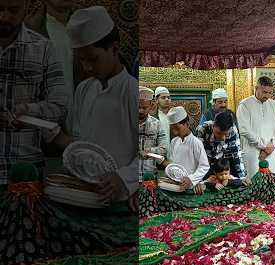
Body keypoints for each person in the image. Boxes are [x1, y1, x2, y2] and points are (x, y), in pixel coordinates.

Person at [65, 6, 138, 202]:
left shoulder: (131, 90)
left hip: (118, 197)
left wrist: (124, 178)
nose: (87, 67)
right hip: (83, 191)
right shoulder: (83, 89)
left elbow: (146, 154)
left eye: (93, 59)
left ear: (114, 48)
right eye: (81, 60)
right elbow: (79, 140)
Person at [0, 0, 67, 187]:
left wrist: (29, 111)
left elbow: (60, 108)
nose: (3, 17)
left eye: (12, 10)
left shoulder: (43, 48)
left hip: (27, 173)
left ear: (26, 8)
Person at [237, 76, 275, 177]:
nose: (267, 96)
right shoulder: (245, 105)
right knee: (254, 184)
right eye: (264, 92)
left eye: (270, 93)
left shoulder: (273, 104)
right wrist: (263, 146)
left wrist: (271, 145)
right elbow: (245, 130)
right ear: (256, 88)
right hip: (253, 153)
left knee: (272, 182)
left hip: (270, 152)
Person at [162, 106, 209, 194]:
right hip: (175, 186)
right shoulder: (174, 141)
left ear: (187, 124)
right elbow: (173, 164)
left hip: (191, 187)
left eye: (177, 128)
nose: (175, 132)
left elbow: (204, 166)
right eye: (173, 129)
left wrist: (192, 180)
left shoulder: (196, 142)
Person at [195, 111, 247, 179]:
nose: (222, 138)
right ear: (213, 125)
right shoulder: (203, 129)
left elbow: (237, 154)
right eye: (219, 133)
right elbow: (196, 154)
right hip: (204, 160)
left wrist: (242, 177)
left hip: (221, 161)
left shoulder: (233, 131)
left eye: (226, 134)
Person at [138, 86, 168, 182]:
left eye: (144, 107)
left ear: (151, 105)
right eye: (137, 107)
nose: (140, 111)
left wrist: (150, 151)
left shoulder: (157, 124)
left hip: (149, 178)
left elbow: (164, 148)